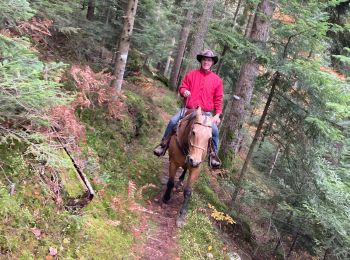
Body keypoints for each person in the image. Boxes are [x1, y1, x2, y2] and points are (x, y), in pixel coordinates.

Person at [154, 49, 223, 168]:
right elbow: (182, 87)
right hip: (189, 109)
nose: (206, 62)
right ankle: (163, 144)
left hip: (206, 113)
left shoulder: (217, 80)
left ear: (212, 63)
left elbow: (218, 99)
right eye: (204, 59)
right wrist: (184, 91)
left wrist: (217, 115)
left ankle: (213, 155)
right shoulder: (191, 74)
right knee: (173, 121)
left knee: (215, 131)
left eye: (209, 60)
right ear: (201, 61)